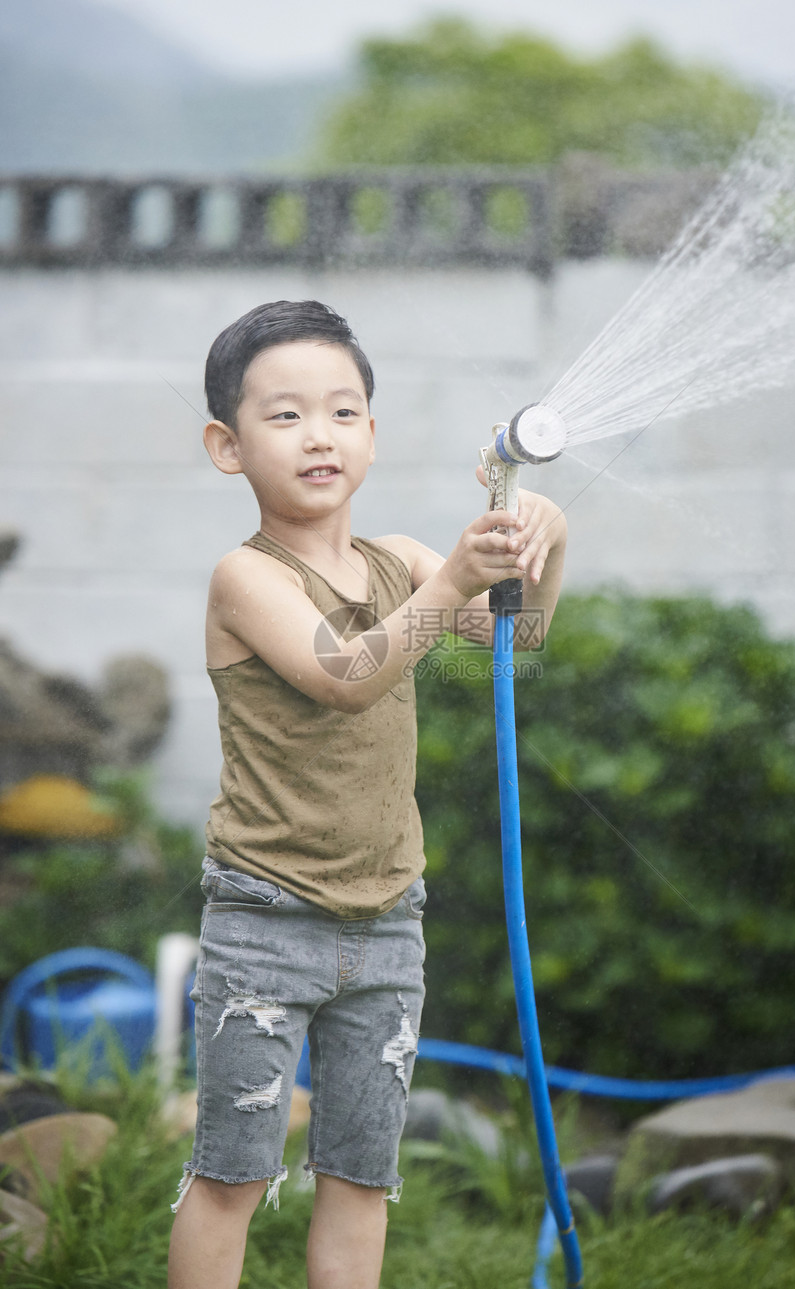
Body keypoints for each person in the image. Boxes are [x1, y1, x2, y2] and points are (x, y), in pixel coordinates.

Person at [167, 300, 567, 1289]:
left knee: (358, 1175)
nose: (319, 435)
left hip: (387, 921)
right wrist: (448, 585)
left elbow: (510, 639)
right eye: (286, 414)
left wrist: (540, 548)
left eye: (342, 412)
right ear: (227, 445)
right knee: (233, 1173)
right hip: (265, 917)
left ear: (372, 435)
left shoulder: (401, 559)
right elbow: (346, 674)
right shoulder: (243, 578)